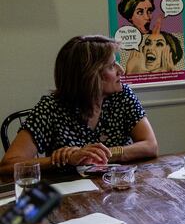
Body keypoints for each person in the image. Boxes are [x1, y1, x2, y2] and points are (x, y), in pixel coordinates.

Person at [0, 36, 159, 174]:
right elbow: (8, 165)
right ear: (90, 75)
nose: (121, 70)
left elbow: (150, 146)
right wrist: (65, 159)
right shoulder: (51, 107)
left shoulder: (122, 95)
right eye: (111, 66)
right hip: (71, 197)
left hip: (117, 187)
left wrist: (98, 154)